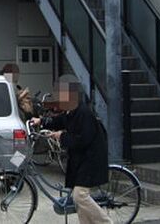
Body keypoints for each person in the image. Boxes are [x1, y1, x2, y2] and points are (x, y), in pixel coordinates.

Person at [30, 76, 111, 224]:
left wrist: (61, 136)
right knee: (78, 197)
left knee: (80, 196)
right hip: (82, 159)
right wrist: (41, 121)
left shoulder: (84, 113)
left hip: (91, 159)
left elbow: (83, 140)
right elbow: (59, 120)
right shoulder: (71, 111)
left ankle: (105, 222)